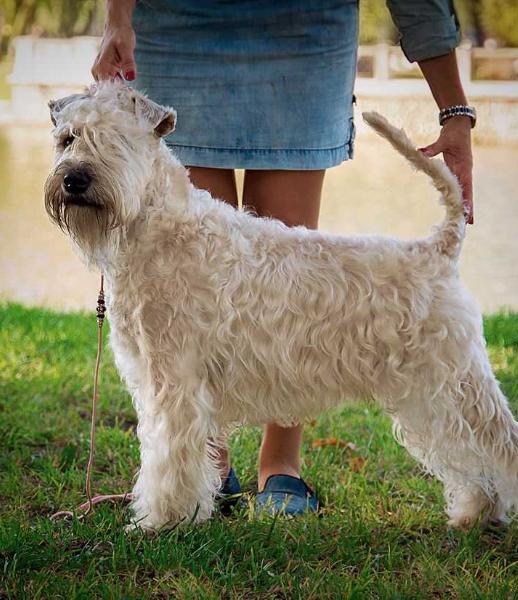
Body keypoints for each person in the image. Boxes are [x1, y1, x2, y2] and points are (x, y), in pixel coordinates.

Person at [91, 0, 475, 516]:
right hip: (178, 28)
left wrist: (453, 108)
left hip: (302, 33)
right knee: (188, 321)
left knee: (290, 291)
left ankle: (279, 468)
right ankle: (204, 474)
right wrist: (118, 17)